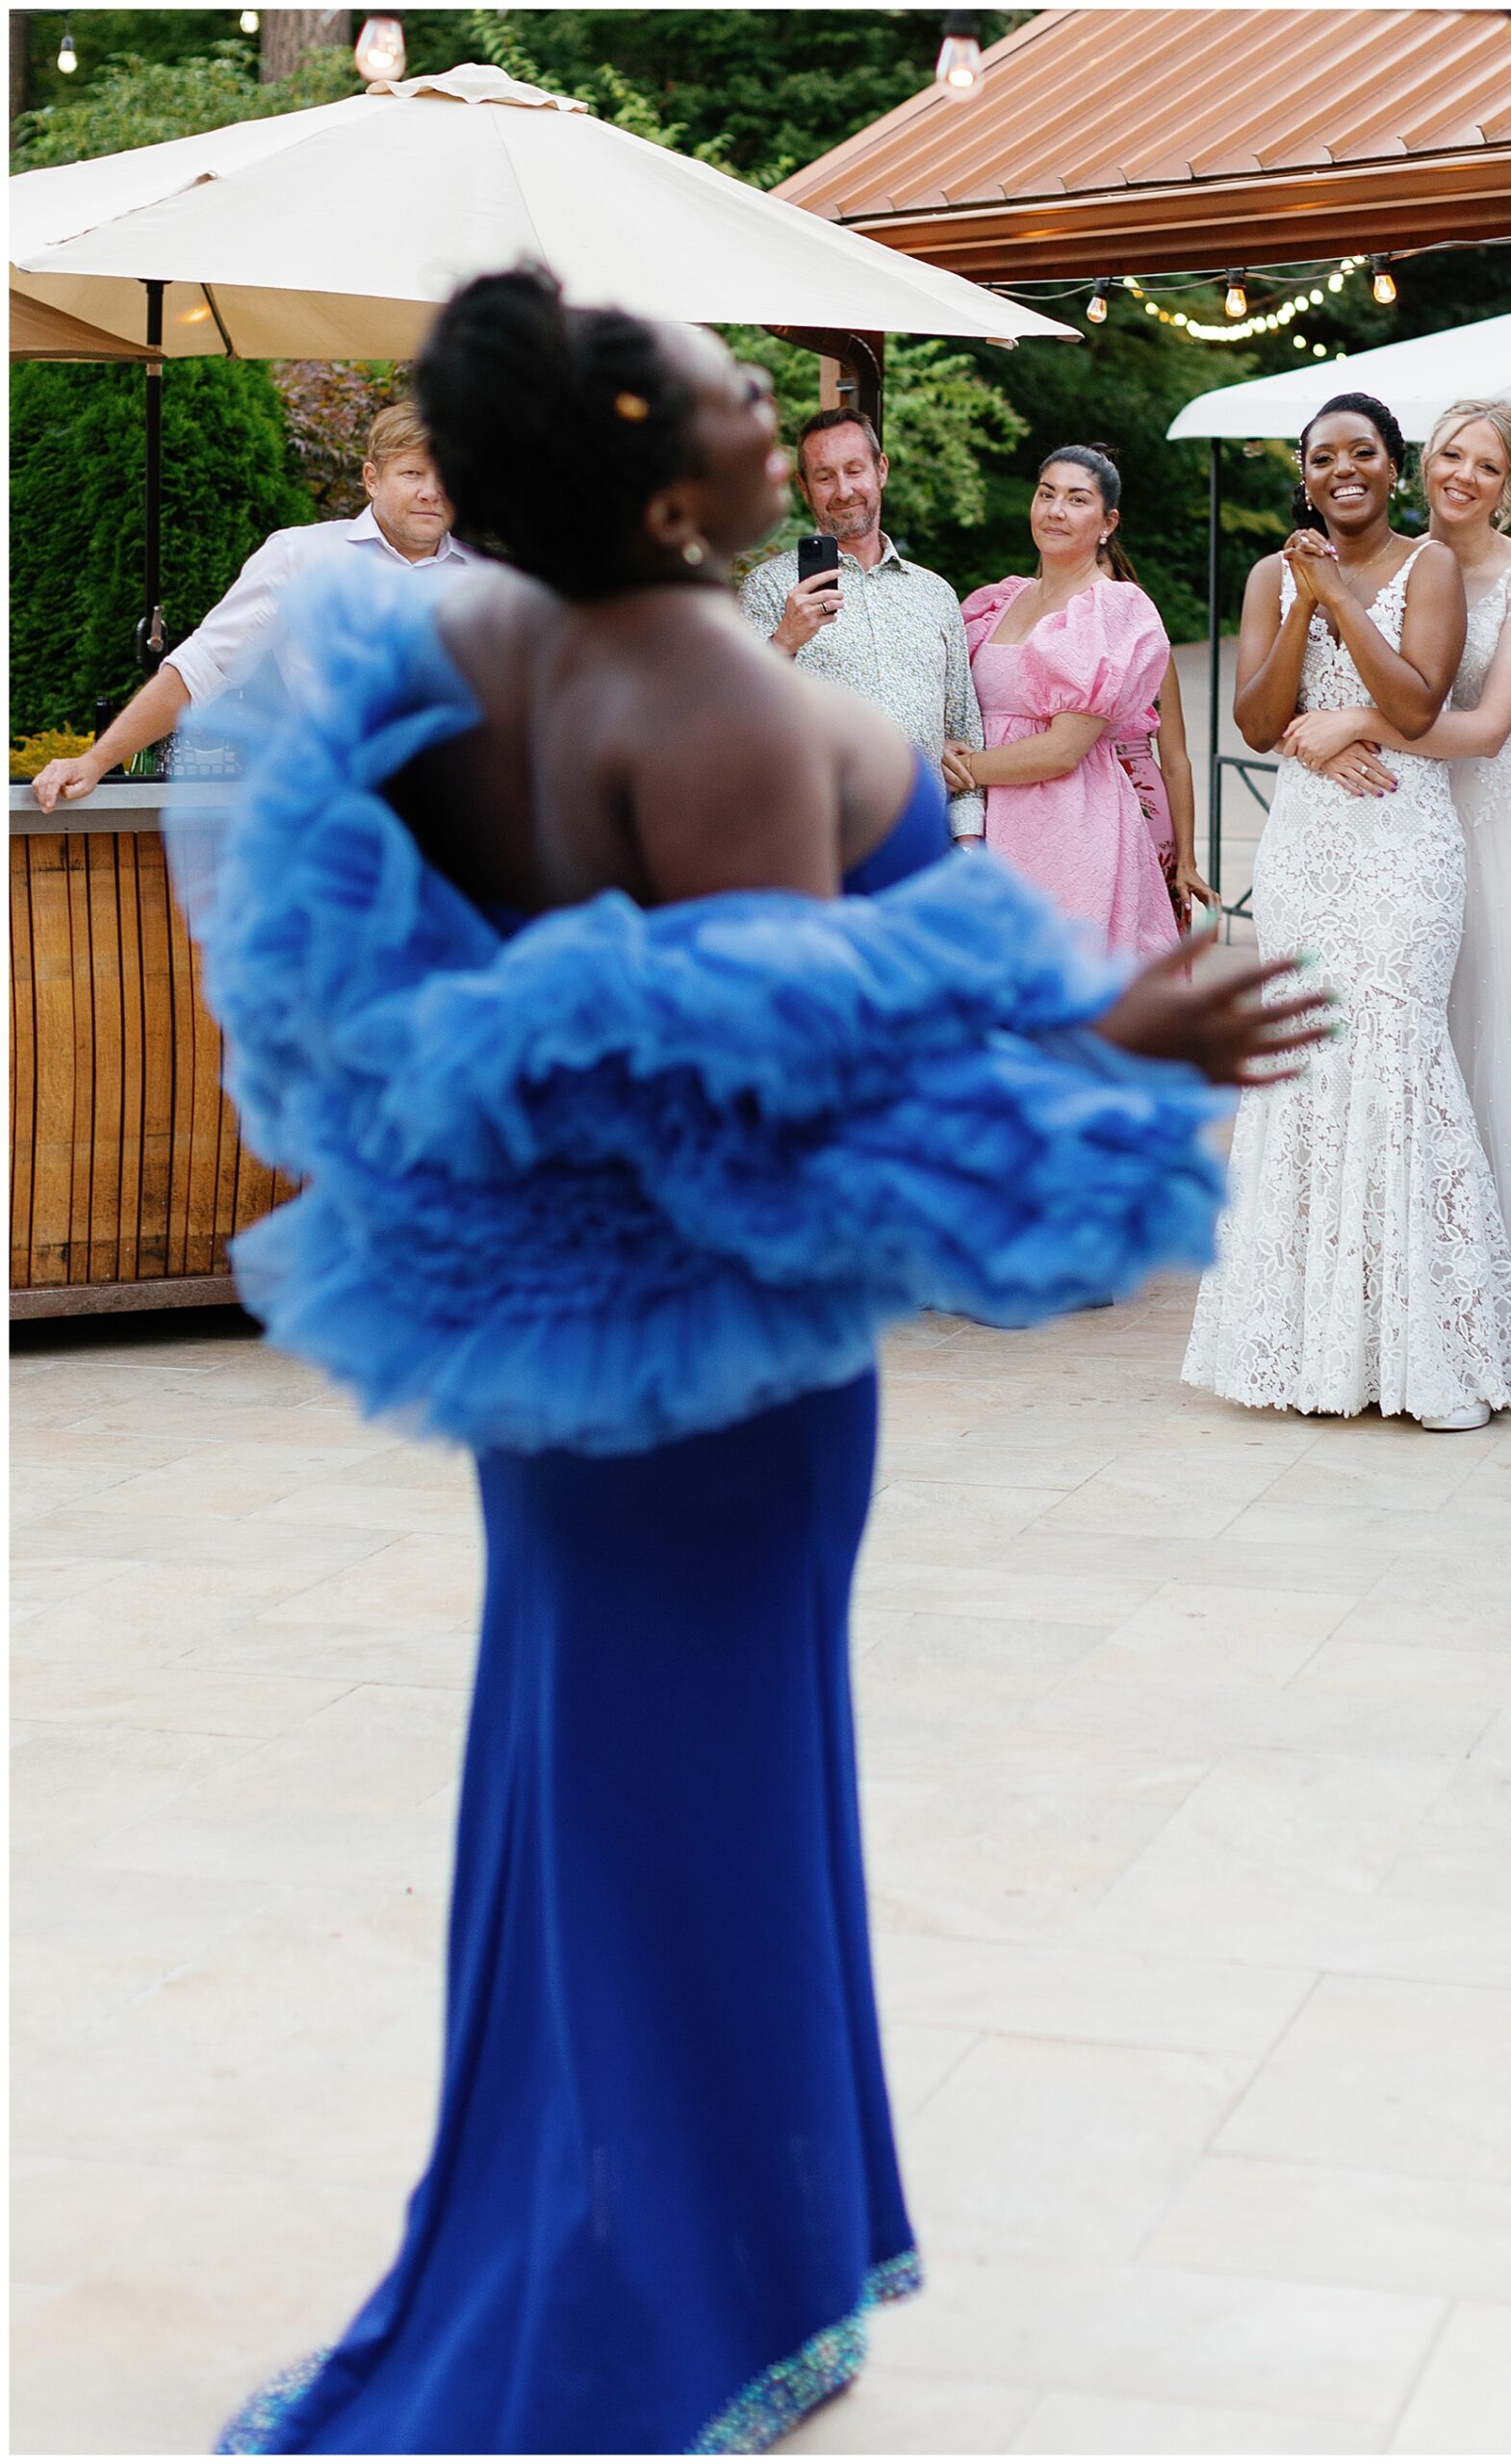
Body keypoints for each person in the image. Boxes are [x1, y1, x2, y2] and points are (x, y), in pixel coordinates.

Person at [191, 270, 1332, 2457]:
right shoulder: (707, 694)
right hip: (720, 1385)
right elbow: (775, 1104)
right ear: (656, 454)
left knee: (599, 1783)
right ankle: (661, 2313)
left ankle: (715, 2254)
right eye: (734, 387)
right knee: (689, 1798)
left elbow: (490, 1023)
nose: (772, 409)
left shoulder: (467, 662)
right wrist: (1115, 1026)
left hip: (569, 1368)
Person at [1182, 391, 1511, 1430]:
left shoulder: (1429, 566)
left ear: (1391, 469)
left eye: (1363, 453)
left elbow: (1420, 703)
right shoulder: (1267, 575)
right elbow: (1256, 720)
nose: (1342, 469)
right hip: (1303, 849)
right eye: (1321, 456)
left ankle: (1427, 1357)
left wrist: (1338, 599)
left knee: (1393, 1052)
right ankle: (1306, 1351)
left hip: (1400, 845)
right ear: (1303, 476)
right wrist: (1299, 602)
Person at [1278, 398, 1511, 1410]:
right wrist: (1332, 727)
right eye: (1447, 456)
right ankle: (1433, 1322)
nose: (1459, 476)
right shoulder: (1393, 566)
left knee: (1508, 1064)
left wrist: (1352, 725)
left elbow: (1477, 729)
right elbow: (1312, 678)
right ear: (1419, 466)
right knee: (1424, 1075)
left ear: (1507, 482)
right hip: (1399, 835)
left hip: (1500, 827)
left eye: (1482, 464)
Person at [30, 401, 476, 812]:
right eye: (413, 474)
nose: (431, 492)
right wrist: (95, 760)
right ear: (371, 478)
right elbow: (203, 666)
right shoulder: (299, 556)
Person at [953, 445, 1180, 958]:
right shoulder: (1002, 599)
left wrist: (958, 770)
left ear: (1108, 521)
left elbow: (1063, 750)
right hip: (985, 817)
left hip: (1065, 826)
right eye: (1046, 494)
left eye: (1077, 500)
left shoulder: (1110, 607)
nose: (1055, 511)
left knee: (1059, 988)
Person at [737, 406, 986, 842]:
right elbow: (735, 723)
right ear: (804, 487)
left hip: (922, 847)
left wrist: (967, 846)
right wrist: (784, 642)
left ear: (881, 469)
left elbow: (963, 734)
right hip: (817, 843)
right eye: (824, 476)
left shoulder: (935, 594)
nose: (844, 489)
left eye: (855, 470)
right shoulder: (768, 589)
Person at [1114, 654, 1215, 933]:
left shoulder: (1151, 645)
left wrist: (1187, 861)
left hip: (1145, 807)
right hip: (1069, 801)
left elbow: (1176, 762)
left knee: (1153, 934)